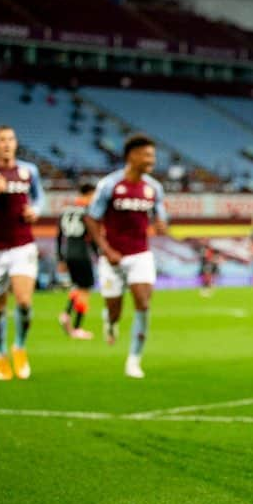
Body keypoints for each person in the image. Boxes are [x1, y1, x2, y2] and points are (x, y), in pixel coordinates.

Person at [84, 134, 168, 378]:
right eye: (147, 155)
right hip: (112, 257)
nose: (152, 159)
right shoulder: (110, 185)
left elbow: (161, 216)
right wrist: (106, 249)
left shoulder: (154, 188)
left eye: (153, 155)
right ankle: (109, 322)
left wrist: (162, 224)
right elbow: (91, 218)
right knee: (115, 311)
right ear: (132, 155)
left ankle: (134, 360)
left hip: (141, 255)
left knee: (143, 303)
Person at [0, 125, 45, 380]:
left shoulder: (29, 171)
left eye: (11, 139)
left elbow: (39, 199)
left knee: (24, 302)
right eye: (1, 140)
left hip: (23, 245)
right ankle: (1, 354)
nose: (7, 144)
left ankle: (20, 347)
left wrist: (35, 211)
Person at [57, 182, 97, 339]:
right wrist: (99, 255)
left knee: (78, 287)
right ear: (88, 194)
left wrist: (60, 258)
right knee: (85, 290)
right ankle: (77, 328)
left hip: (68, 253)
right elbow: (92, 236)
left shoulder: (66, 210)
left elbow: (59, 237)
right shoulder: (88, 212)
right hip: (82, 253)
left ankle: (66, 314)